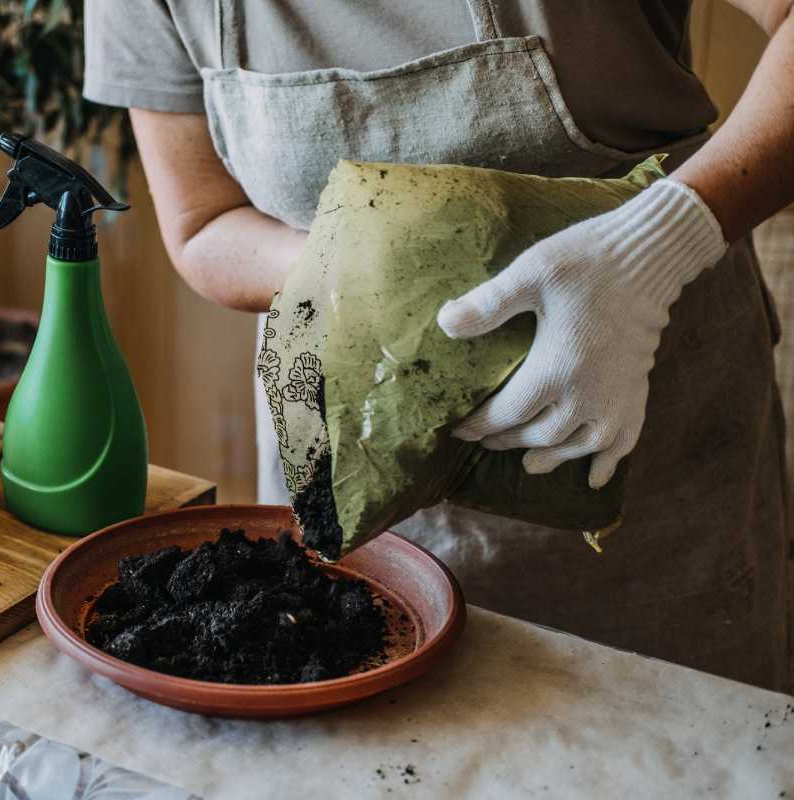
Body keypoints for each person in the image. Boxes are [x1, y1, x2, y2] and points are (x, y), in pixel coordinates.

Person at [83, 0, 794, 691]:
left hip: (652, 468)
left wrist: (666, 238)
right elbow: (203, 225)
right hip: (349, 460)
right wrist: (371, 265)